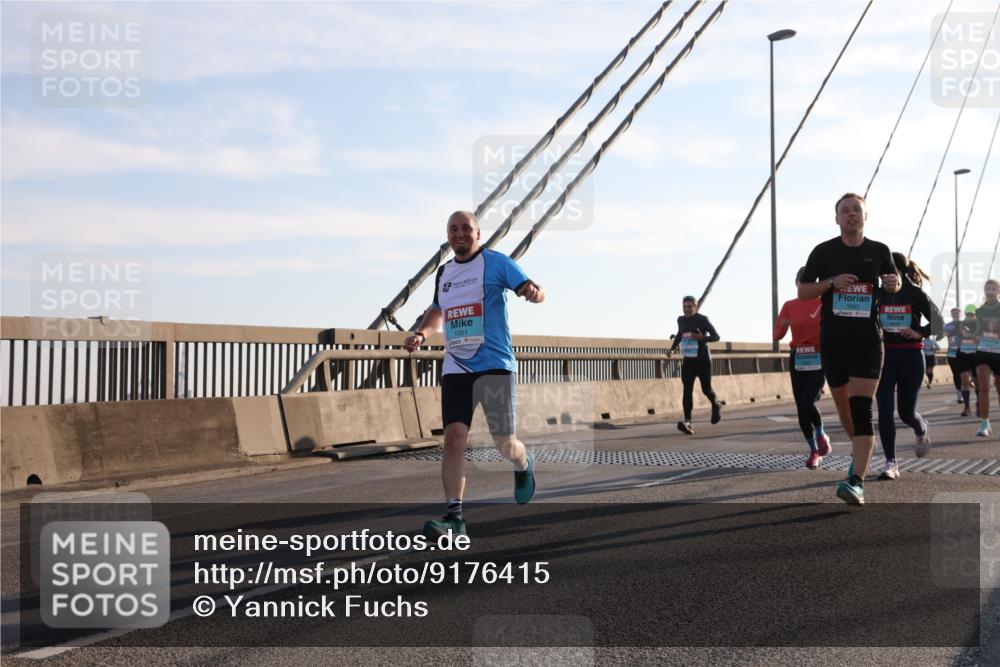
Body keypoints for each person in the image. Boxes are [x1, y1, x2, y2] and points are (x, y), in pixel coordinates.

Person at [405, 211, 545, 538]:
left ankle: (524, 464)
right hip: (457, 366)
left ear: (478, 233)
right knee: (454, 439)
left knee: (504, 442)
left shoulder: (497, 263)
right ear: (448, 236)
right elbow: (438, 310)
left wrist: (534, 293)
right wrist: (422, 334)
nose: (459, 234)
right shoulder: (445, 273)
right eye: (453, 229)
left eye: (465, 228)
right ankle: (454, 518)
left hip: (495, 365)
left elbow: (534, 290)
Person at [799, 193, 900, 505]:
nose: (851, 214)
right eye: (845, 210)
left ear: (866, 216)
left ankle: (856, 480)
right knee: (844, 409)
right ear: (837, 218)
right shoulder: (823, 252)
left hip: (868, 340)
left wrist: (893, 284)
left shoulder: (880, 250)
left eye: (857, 209)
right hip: (833, 341)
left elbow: (892, 283)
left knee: (861, 408)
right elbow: (803, 292)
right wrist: (832, 282)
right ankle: (859, 454)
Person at [874, 254, 934, 478]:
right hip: (884, 358)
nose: (884, 278)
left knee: (906, 412)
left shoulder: (915, 294)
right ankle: (891, 463)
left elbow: (938, 321)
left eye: (888, 273)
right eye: (881, 275)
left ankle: (921, 428)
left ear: (899, 272)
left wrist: (919, 332)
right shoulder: (877, 294)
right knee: (885, 411)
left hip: (911, 356)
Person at [773, 267, 831, 468]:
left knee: (808, 403)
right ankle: (814, 451)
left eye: (809, 283)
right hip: (797, 357)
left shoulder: (825, 303)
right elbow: (777, 335)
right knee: (801, 408)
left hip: (818, 356)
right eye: (801, 283)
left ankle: (821, 432)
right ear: (797, 284)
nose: (804, 287)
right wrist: (783, 325)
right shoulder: (789, 305)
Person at [668, 296, 721, 434]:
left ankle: (716, 405)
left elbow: (716, 336)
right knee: (687, 391)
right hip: (688, 361)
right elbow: (680, 334)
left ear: (695, 307)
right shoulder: (681, 320)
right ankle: (688, 422)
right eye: (684, 306)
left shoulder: (703, 319)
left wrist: (703, 338)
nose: (687, 309)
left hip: (703, 360)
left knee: (706, 389)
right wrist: (672, 349)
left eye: (689, 306)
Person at [975, 279, 1000, 437]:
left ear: (998, 291)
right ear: (984, 291)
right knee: (984, 387)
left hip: (999, 353)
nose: (990, 291)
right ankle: (984, 423)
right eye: (987, 289)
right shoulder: (979, 311)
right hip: (983, 352)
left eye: (993, 289)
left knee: (999, 388)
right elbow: (974, 331)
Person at [956, 305, 979, 418]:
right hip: (962, 354)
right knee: (965, 380)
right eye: (968, 314)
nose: (969, 316)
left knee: (977, 381)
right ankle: (967, 407)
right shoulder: (961, 325)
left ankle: (979, 402)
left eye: (972, 314)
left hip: (976, 355)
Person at [943, 307, 964, 403]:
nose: (956, 314)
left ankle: (965, 389)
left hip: (964, 351)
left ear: (960, 314)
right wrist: (956, 328)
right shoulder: (947, 325)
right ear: (951, 315)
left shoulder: (965, 324)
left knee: (964, 373)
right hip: (952, 351)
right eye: (954, 313)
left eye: (957, 313)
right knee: (956, 373)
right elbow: (946, 334)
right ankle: (959, 393)